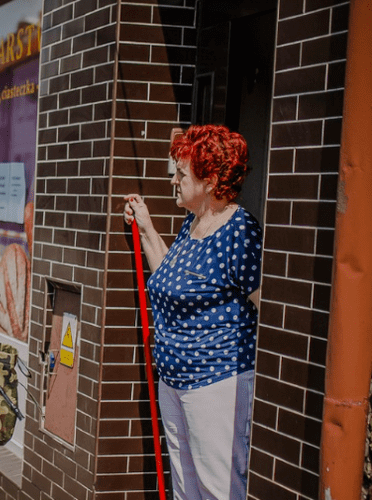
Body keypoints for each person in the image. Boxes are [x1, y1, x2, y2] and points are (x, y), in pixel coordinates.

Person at [124, 124, 263, 500]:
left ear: (211, 179)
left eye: (181, 173)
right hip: (174, 380)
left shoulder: (239, 231)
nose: (173, 180)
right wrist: (147, 228)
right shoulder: (194, 223)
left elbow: (265, 308)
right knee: (186, 488)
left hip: (215, 383)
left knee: (217, 488)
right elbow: (171, 276)